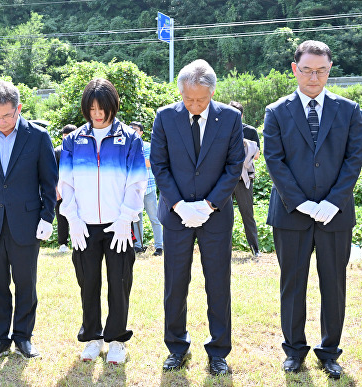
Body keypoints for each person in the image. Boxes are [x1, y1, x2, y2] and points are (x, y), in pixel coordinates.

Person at [263, 40, 362, 379]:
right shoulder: (276, 111)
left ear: (330, 70)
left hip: (335, 214)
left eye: (321, 70)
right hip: (291, 214)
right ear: (295, 69)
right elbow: (273, 160)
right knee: (293, 283)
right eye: (307, 70)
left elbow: (354, 159)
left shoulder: (349, 110)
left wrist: (333, 202)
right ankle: (294, 351)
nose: (314, 77)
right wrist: (301, 202)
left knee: (333, 284)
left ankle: (329, 352)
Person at [150, 60, 244, 376]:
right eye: (188, 99)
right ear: (181, 92)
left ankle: (218, 352)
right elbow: (159, 165)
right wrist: (178, 205)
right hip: (176, 217)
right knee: (176, 284)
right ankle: (177, 347)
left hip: (215, 216)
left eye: (200, 100)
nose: (193, 105)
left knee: (218, 284)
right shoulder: (165, 117)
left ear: (212, 92)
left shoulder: (230, 118)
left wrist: (208, 205)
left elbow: (234, 165)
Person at [0, 80, 57, 361]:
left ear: (19, 108)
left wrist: (47, 216)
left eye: (7, 115)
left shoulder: (38, 137)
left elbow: (49, 182)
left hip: (27, 222)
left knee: (26, 282)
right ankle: (0, 338)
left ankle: (23, 337)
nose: (1, 121)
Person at [59, 78, 147, 364]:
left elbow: (137, 182)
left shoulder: (130, 139)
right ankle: (92, 337)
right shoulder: (73, 140)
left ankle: (117, 339)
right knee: (88, 282)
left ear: (113, 107)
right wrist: (73, 218)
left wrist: (126, 218)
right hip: (85, 225)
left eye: (103, 108)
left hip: (118, 224)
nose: (98, 114)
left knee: (119, 281)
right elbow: (66, 183)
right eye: (92, 108)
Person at [228, 101, 261, 258]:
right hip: (225, 178)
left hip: (244, 178)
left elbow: (257, 155)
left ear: (241, 115)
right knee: (223, 215)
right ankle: (222, 248)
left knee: (247, 214)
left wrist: (245, 146)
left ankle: (255, 249)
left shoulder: (250, 131)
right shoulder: (220, 129)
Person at [129, 121, 163, 256]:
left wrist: (132, 160)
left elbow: (148, 163)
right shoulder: (127, 147)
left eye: (135, 129)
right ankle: (138, 246)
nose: (132, 131)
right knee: (137, 219)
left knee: (155, 218)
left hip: (148, 187)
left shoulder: (148, 146)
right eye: (130, 129)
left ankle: (159, 247)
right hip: (134, 189)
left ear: (141, 132)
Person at [54, 124, 77, 253]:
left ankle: (79, 241)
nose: (67, 139)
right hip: (62, 189)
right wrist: (56, 189)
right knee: (61, 216)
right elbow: (52, 171)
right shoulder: (57, 151)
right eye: (64, 137)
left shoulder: (83, 149)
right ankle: (63, 244)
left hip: (79, 189)